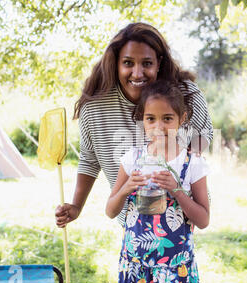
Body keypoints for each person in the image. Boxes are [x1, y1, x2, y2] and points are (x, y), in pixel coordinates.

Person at [55, 22, 213, 229]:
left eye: (146, 63)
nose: (137, 74)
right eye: (128, 63)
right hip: (132, 221)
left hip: (181, 217)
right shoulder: (95, 108)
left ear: (159, 63)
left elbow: (205, 133)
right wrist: (76, 205)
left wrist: (188, 163)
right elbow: (90, 159)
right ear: (116, 64)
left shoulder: (185, 96)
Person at [106, 80, 210, 283]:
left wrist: (177, 190)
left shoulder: (192, 163)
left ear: (182, 119)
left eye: (168, 119)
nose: (158, 127)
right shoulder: (132, 159)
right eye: (150, 118)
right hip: (135, 267)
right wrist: (126, 188)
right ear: (142, 119)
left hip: (175, 271)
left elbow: (203, 220)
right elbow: (110, 210)